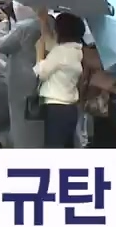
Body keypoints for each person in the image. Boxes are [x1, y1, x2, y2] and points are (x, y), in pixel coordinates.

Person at [34, 10, 85, 148]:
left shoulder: (61, 52)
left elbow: (41, 72)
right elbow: (51, 45)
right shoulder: (75, 51)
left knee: (53, 149)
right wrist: (43, 21)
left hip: (56, 109)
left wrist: (39, 52)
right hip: (70, 109)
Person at [0, 3, 45, 148]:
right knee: (39, 120)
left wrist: (3, 24)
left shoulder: (24, 27)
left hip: (20, 81)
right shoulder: (50, 23)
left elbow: (2, 45)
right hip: (42, 76)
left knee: (20, 120)